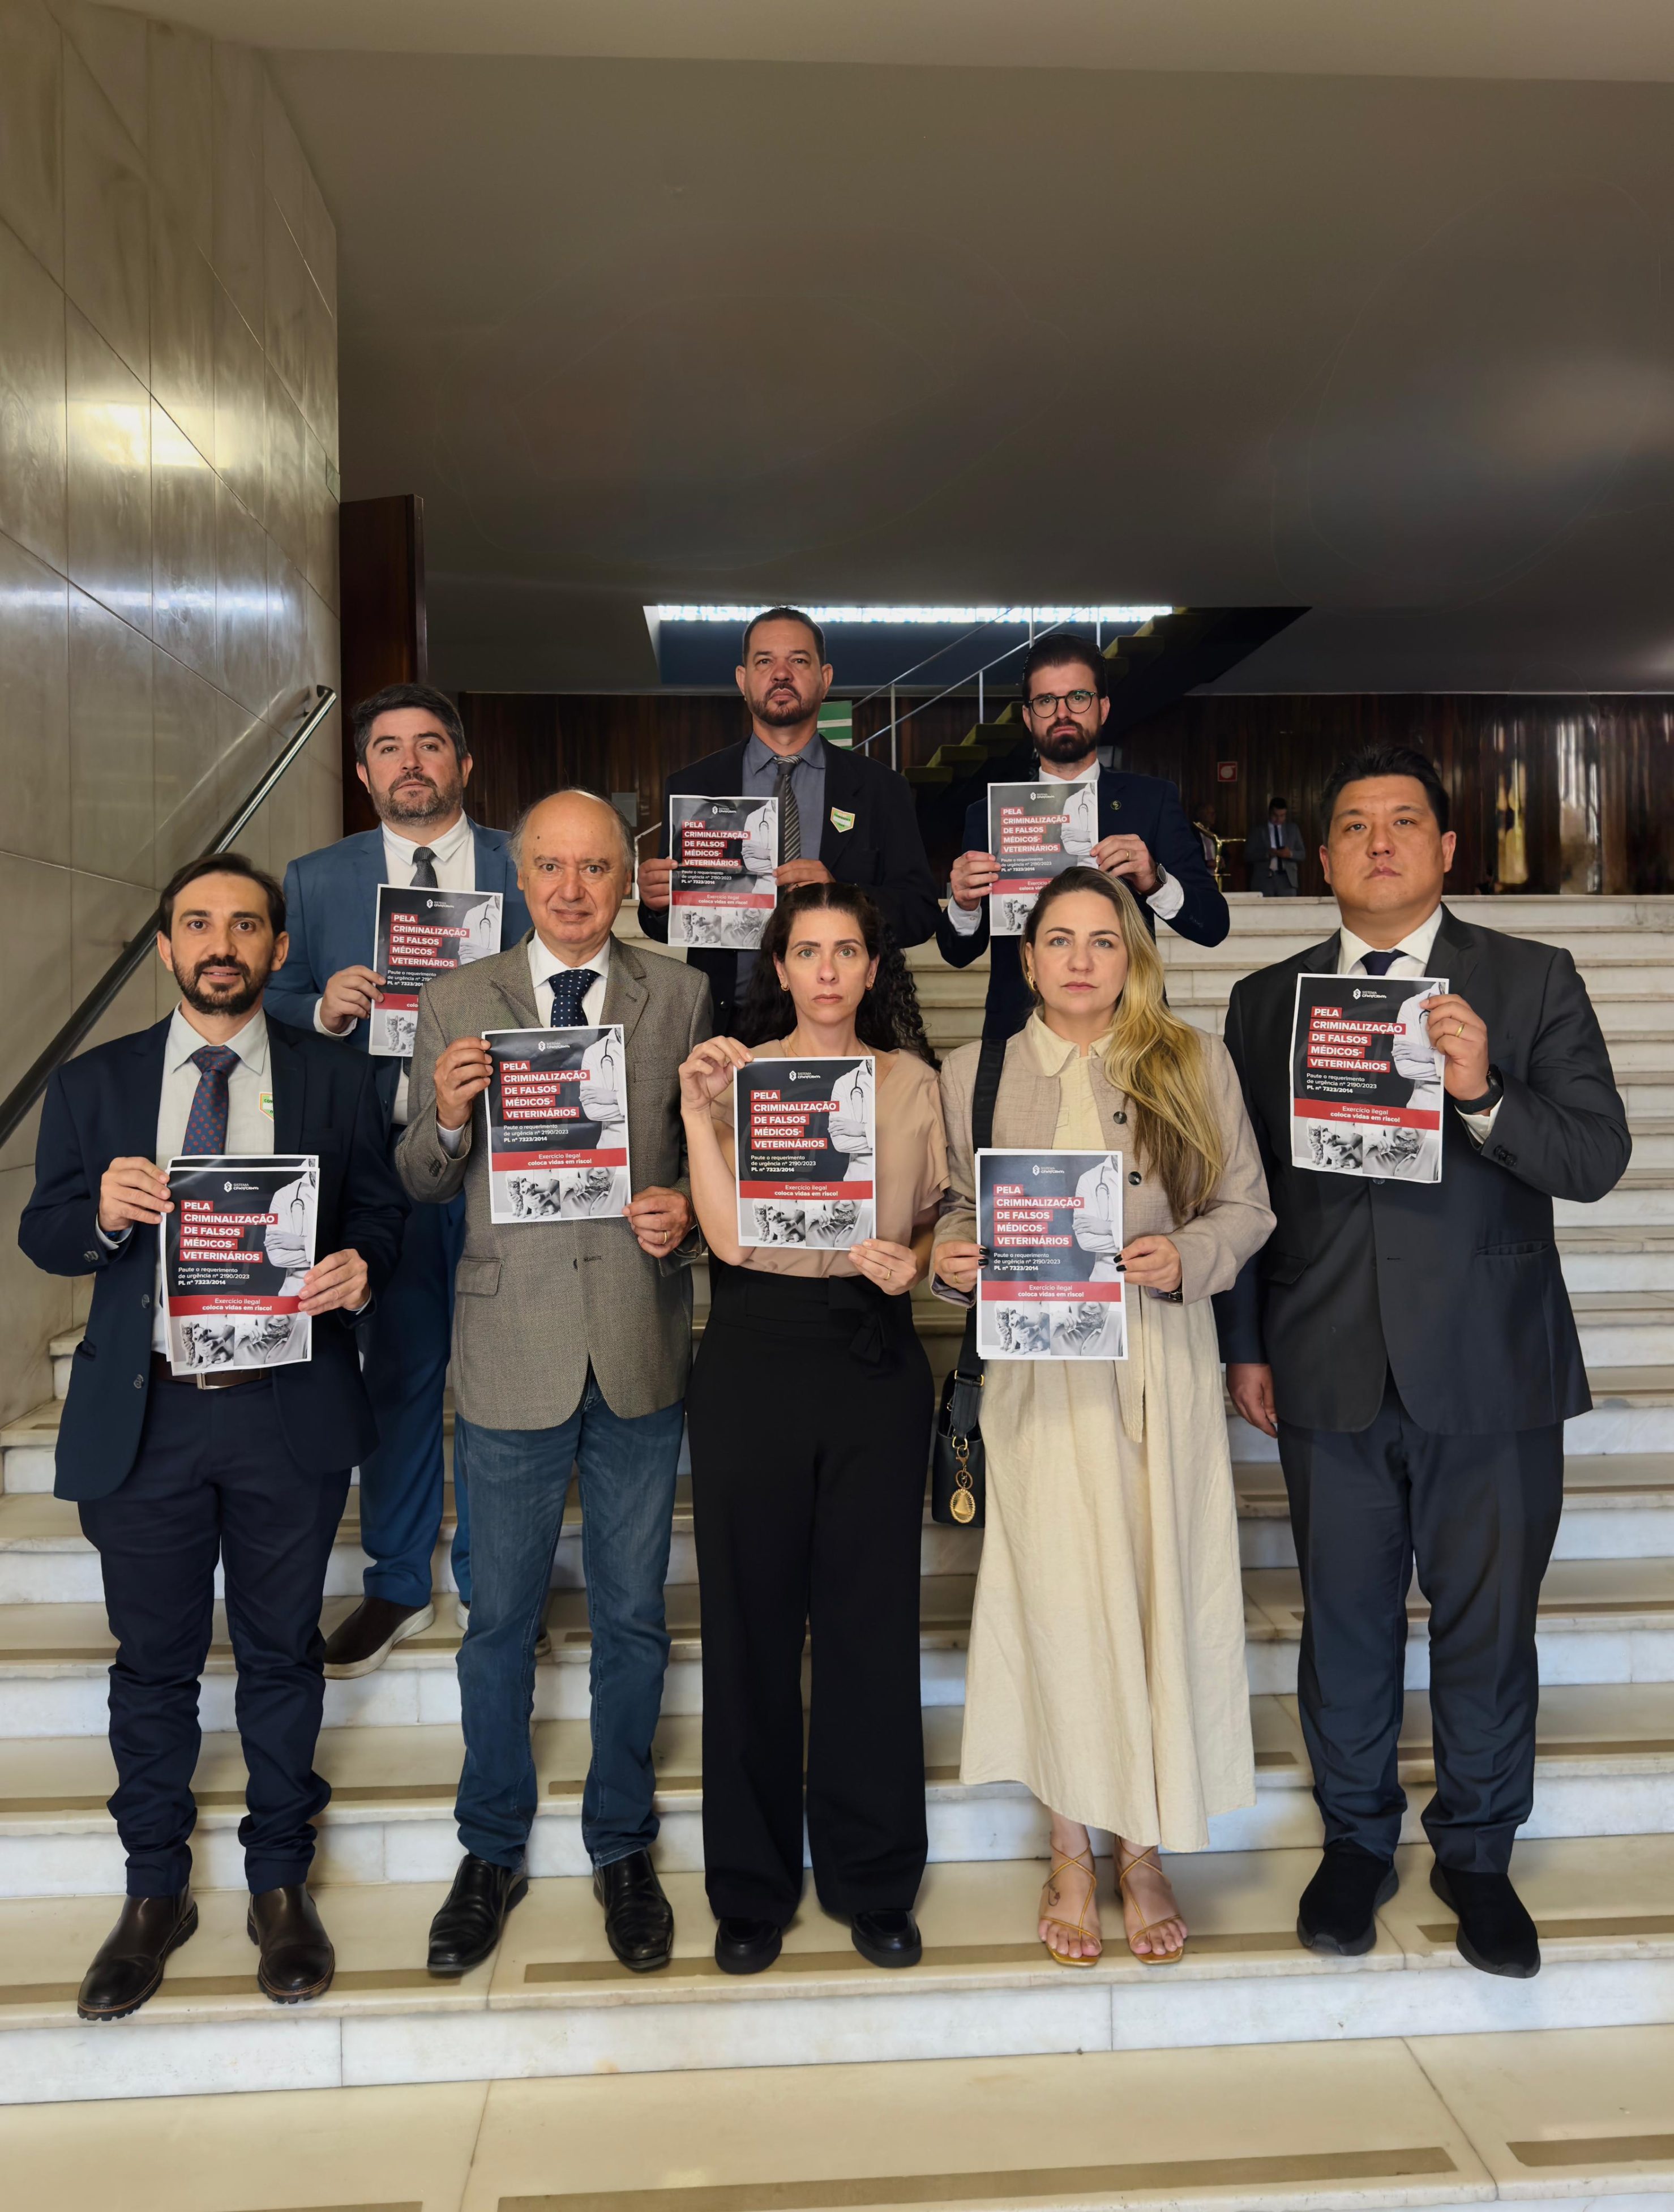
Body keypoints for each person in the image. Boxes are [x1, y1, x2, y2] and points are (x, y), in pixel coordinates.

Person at [1217, 746, 1631, 1978]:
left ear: (1446, 850)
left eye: (1403, 823)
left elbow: (1594, 1155)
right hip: (1322, 1364)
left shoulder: (1530, 978)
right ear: (1322, 856)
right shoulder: (1264, 1002)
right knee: (1340, 1622)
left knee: (1485, 1625)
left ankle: (1476, 1852)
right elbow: (1242, 1194)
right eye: (1351, 825)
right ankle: (1352, 1844)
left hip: (1487, 1370)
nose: (1378, 841)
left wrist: (1481, 1092)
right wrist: (1242, 1344)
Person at [18, 854, 407, 2020]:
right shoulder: (96, 1085)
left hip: (287, 1410)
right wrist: (97, 1215)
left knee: (283, 1654)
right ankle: (154, 1893)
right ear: (166, 949)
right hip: (147, 1419)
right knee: (152, 1665)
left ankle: (278, 1883)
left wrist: (361, 1268)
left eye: (246, 924)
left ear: (278, 950)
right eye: (198, 924)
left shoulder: (338, 1079)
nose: (221, 942)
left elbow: (384, 1211)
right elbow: (43, 1231)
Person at [932, 868, 1273, 1965]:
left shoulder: (1190, 1059)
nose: (1079, 958)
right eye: (1056, 940)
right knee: (1058, 1602)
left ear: (1131, 954)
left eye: (1102, 939)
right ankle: (1071, 1846)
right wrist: (948, 1262)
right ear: (1025, 959)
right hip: (1040, 1378)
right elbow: (946, 1210)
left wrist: (1191, 1254)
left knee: (1151, 1590)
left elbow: (1246, 1205)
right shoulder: (969, 1071)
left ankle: (1142, 1843)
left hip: (1158, 1362)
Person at [398, 789, 711, 1978]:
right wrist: (442, 1116)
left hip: (636, 1344)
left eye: (593, 868)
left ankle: (619, 1844)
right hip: (509, 1352)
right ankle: (489, 1848)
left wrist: (682, 1218)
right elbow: (422, 1178)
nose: (572, 888)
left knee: (631, 1619)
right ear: (515, 877)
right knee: (498, 1626)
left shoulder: (675, 994)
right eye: (549, 867)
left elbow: (699, 1174)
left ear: (624, 879)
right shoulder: (451, 1000)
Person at [678, 882, 947, 1975]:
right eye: (806, 952)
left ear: (872, 969)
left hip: (871, 1353)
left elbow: (935, 1227)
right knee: (745, 1626)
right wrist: (699, 1115)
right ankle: (749, 1886)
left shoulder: (917, 1083)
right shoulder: (735, 1074)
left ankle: (873, 1876)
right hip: (751, 1348)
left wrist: (914, 1264)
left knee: (867, 1628)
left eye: (847, 950)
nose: (828, 969)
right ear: (778, 968)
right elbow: (728, 1240)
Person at [267, 683, 531, 1678]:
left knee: (511, 1377)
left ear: (464, 765)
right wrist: (324, 1008)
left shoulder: (524, 861)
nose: (409, 762)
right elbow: (275, 998)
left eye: (430, 745)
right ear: (365, 771)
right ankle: (396, 1584)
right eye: (388, 748)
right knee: (405, 1370)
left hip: (515, 1154)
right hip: (387, 1165)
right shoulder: (317, 877)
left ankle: (496, 1584)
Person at [639, 607, 940, 1029]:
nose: (781, 674)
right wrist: (656, 903)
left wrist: (842, 895)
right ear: (743, 680)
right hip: (730, 1028)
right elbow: (668, 924)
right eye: (765, 661)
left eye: (798, 661)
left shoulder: (880, 788)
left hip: (848, 1027)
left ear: (825, 677)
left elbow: (920, 912)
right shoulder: (693, 786)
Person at [936, 635, 1230, 1038]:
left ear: (1103, 708)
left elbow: (1212, 926)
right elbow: (956, 953)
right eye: (1045, 701)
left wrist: (1154, 881)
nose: (1062, 713)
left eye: (1078, 697)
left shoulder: (1152, 801)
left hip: (1130, 1033)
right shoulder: (987, 815)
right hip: (1022, 1034)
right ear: (1028, 717)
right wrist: (965, 904)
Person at [1246, 795, 1305, 896]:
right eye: (1276, 815)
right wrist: (1267, 854)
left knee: (1288, 910)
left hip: (1287, 880)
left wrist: (1290, 854)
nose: (1279, 819)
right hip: (1265, 880)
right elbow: (1248, 855)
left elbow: (1302, 854)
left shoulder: (1293, 829)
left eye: (1282, 816)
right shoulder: (1258, 830)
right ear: (1269, 813)